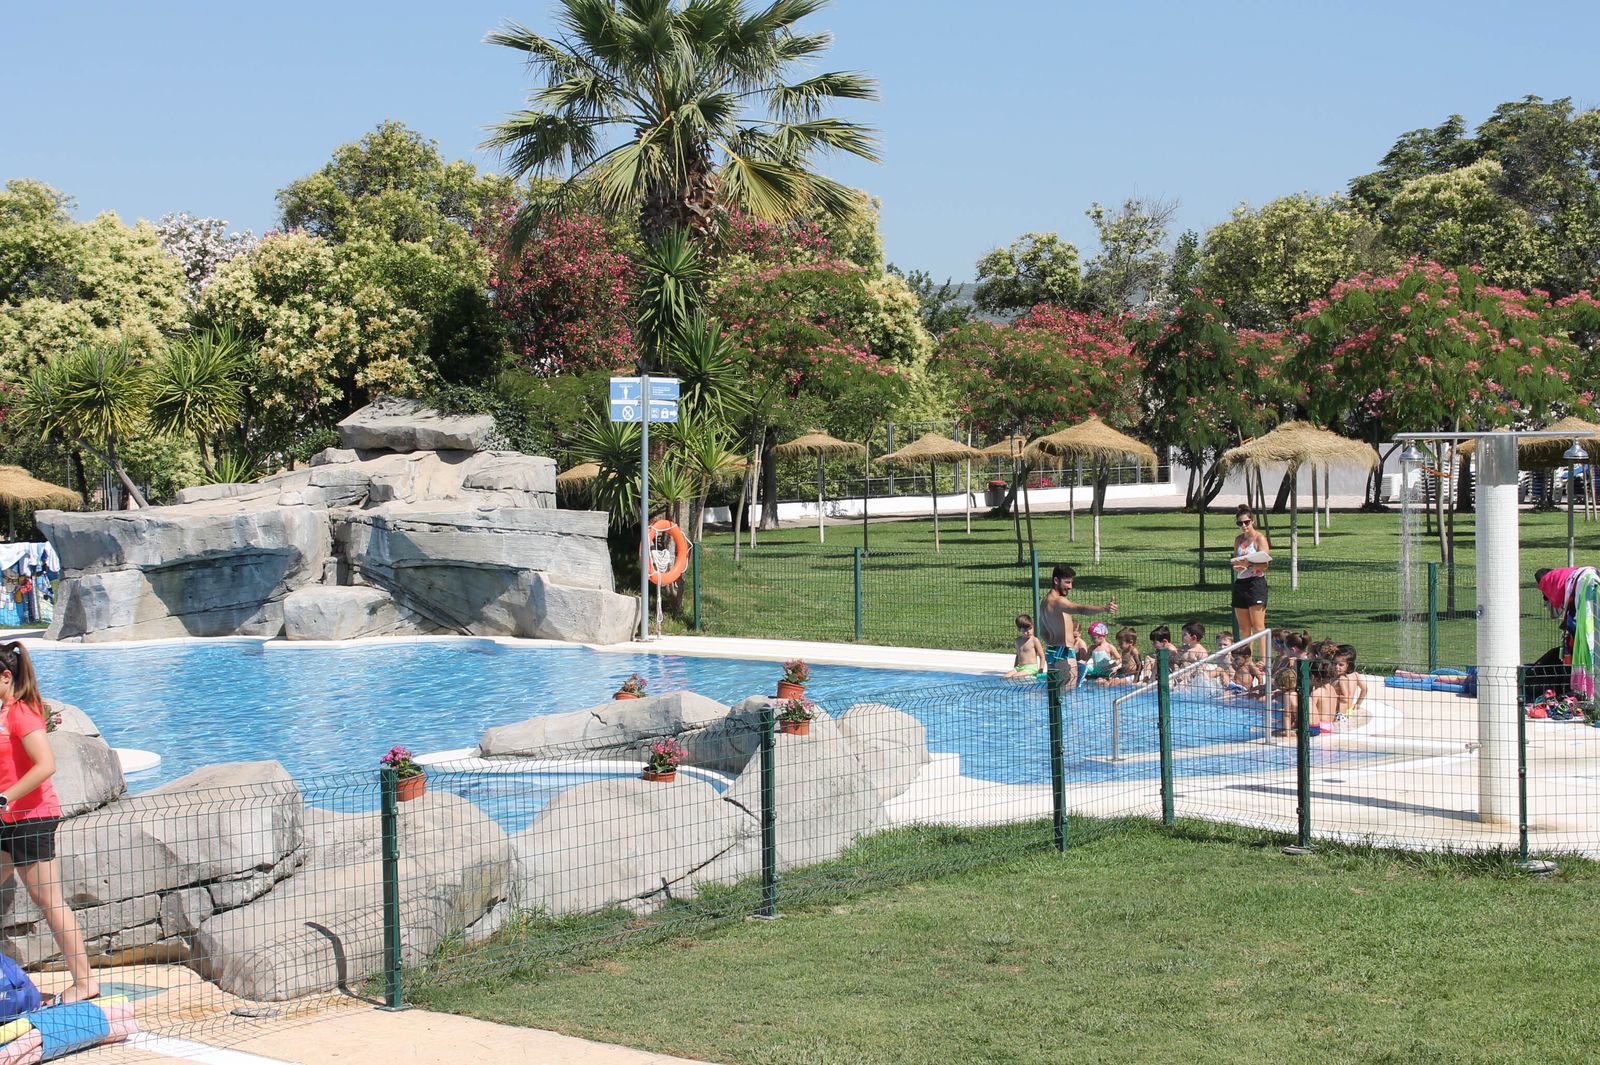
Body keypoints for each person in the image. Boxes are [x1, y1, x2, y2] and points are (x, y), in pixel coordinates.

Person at [0, 642, 97, 1005]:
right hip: (8, 822)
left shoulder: (22, 713)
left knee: (50, 903)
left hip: (31, 819)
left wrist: (4, 798)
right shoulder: (3, 713)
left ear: (6, 676)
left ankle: (85, 983)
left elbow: (45, 765)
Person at [1038, 564, 1118, 690]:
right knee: (1069, 693)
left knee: (1054, 693)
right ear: (1056, 580)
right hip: (1063, 651)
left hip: (1051, 650)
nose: (1070, 587)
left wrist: (1054, 643)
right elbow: (1081, 609)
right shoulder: (1058, 601)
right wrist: (1104, 608)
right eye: (1067, 582)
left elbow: (1042, 631)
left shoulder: (1044, 602)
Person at [1230, 505, 1271, 658]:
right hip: (1241, 583)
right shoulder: (1238, 540)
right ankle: (1247, 660)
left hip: (1255, 583)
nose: (1244, 526)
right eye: (1240, 523)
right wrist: (1238, 566)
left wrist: (1250, 565)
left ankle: (1264, 660)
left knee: (1259, 626)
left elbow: (1265, 564)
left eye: (1246, 522)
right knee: (1245, 627)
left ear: (1252, 521)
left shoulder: (1259, 539)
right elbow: (1236, 559)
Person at [1004, 614, 1046, 679]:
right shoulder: (1018, 641)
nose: (1028, 632)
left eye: (1030, 628)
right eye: (1025, 630)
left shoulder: (1034, 640)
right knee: (1005, 677)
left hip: (1031, 668)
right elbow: (1018, 655)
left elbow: (1042, 656)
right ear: (1019, 629)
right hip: (1019, 667)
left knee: (1015, 677)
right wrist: (1015, 668)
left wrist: (1041, 670)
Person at [1333, 644, 1368, 720]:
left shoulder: (1341, 678)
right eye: (1335, 663)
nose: (1336, 667)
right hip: (1349, 710)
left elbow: (1344, 697)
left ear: (1349, 665)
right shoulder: (1355, 675)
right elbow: (1364, 689)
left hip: (1340, 712)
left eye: (1341, 665)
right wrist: (1358, 704)